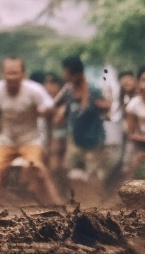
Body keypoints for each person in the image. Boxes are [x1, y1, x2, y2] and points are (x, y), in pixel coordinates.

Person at [0, 57, 63, 205]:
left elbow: (50, 109)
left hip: (30, 140)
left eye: (15, 73)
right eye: (8, 73)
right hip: (5, 140)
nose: (11, 77)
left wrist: (45, 111)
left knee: (36, 168)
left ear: (23, 74)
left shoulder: (34, 90)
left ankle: (52, 202)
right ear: (2, 74)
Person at [55, 56, 110, 200]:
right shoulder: (68, 90)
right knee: (70, 171)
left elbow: (106, 108)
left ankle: (96, 202)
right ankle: (75, 199)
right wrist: (62, 110)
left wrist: (103, 106)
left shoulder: (94, 90)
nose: (64, 76)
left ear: (76, 74)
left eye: (66, 73)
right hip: (74, 138)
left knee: (94, 174)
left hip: (94, 139)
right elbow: (57, 106)